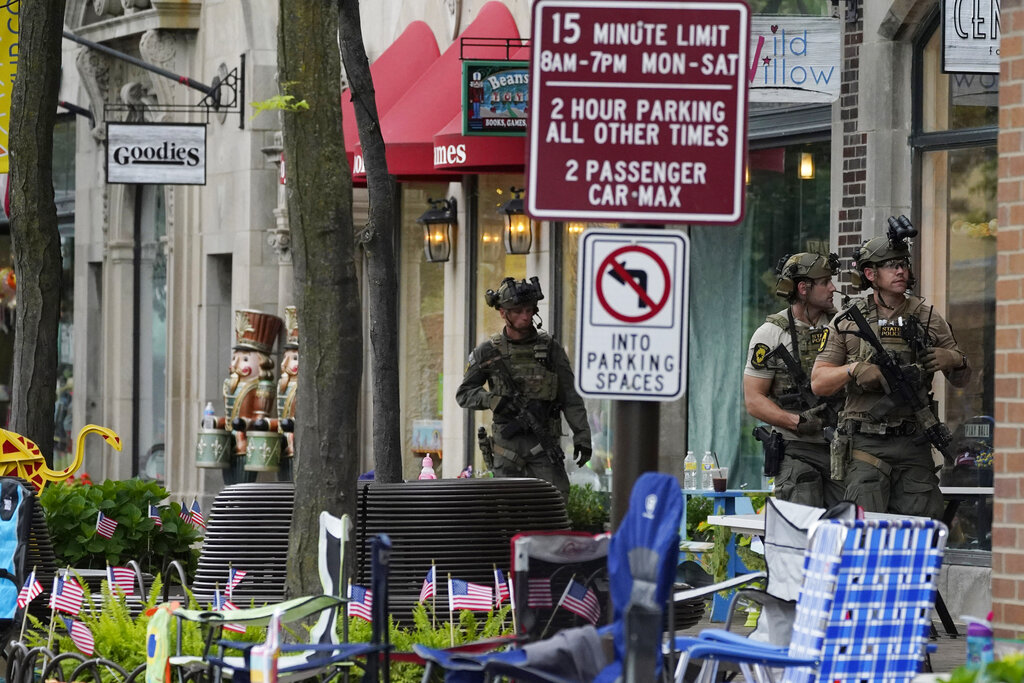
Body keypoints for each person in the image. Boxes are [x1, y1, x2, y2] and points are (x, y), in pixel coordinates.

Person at [811, 224, 971, 519]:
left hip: (914, 443)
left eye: (904, 265)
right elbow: (819, 381)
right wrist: (854, 369)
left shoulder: (928, 317)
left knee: (921, 529)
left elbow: (962, 377)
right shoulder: (848, 321)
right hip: (866, 445)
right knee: (864, 532)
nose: (900, 271)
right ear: (871, 274)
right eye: (891, 265)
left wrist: (952, 359)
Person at [457, 277, 591, 500]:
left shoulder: (550, 349)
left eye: (529, 310)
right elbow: (464, 393)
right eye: (518, 311)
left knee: (555, 501)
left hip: (544, 443)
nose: (525, 316)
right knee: (506, 507)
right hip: (506, 448)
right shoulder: (488, 352)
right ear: (503, 313)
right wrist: (493, 400)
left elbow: (570, 397)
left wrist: (583, 438)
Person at [744, 252, 845, 507]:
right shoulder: (770, 334)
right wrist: (796, 421)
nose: (833, 288)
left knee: (847, 530)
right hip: (797, 449)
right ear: (803, 288)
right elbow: (754, 399)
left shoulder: (842, 326)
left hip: (841, 447)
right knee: (803, 529)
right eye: (825, 282)